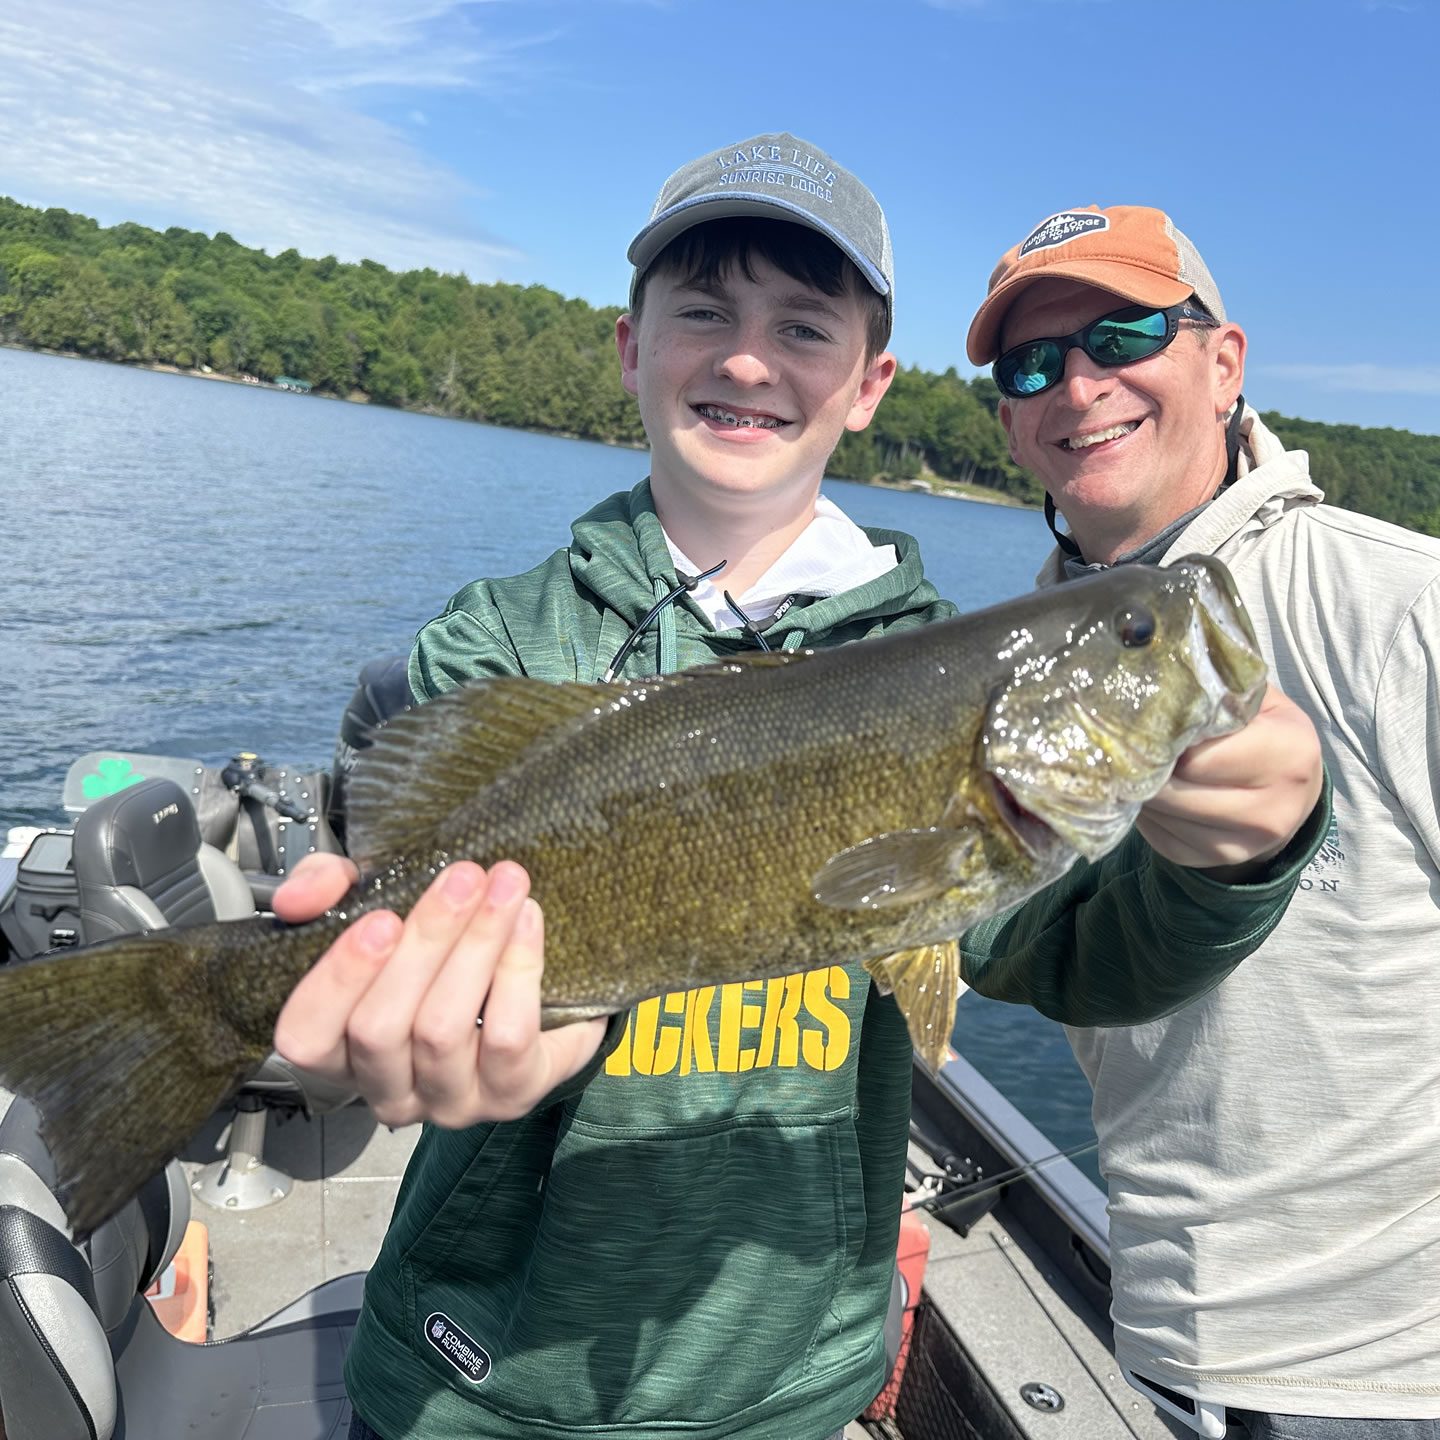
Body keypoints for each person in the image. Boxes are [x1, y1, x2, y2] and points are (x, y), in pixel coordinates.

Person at [271, 149, 1326, 1440]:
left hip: (787, 1382)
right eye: (704, 313)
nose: (750, 361)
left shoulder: (943, 649)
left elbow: (1079, 955)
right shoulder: (499, 640)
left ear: (871, 383)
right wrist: (391, 1025)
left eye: (804, 328)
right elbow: (393, 927)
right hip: (478, 1375)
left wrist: (1234, 863)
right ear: (629, 347)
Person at [960, 203, 1440, 1439]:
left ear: (1224, 363)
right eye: (1032, 365)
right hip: (1167, 1335)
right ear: (1011, 419)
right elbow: (1008, 946)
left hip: (1391, 1369)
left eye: (1121, 335)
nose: (1079, 384)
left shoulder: (1400, 606)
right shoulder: (1008, 664)